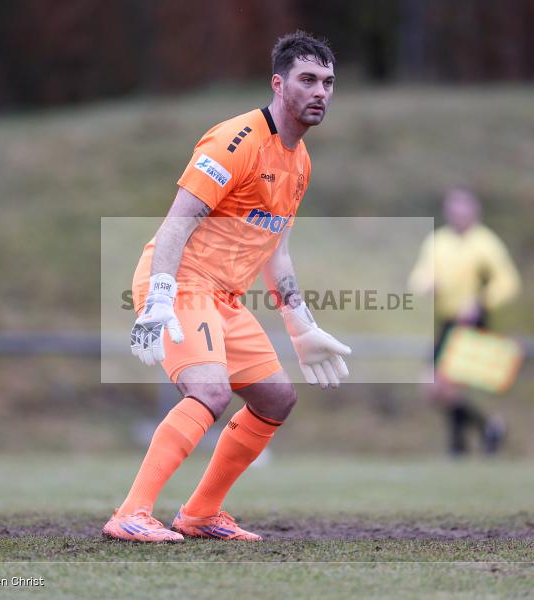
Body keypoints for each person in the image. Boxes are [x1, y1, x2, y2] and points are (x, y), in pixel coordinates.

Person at [103, 31, 350, 543]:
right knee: (210, 390)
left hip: (223, 298)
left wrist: (300, 324)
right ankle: (131, 512)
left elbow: (275, 248)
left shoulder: (299, 162)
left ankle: (199, 514)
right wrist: (160, 296)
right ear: (278, 84)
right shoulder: (234, 141)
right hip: (181, 282)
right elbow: (176, 223)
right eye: (308, 80)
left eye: (328, 82)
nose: (320, 92)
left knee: (277, 399)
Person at [408, 187, 521, 456]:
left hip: (473, 323)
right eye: (453, 207)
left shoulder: (486, 243)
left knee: (444, 385)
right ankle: (487, 429)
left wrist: (481, 301)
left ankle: (458, 446)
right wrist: (426, 285)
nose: (457, 213)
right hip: (447, 322)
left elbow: (509, 283)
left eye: (463, 207)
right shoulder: (439, 241)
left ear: (474, 210)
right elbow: (420, 275)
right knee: (434, 388)